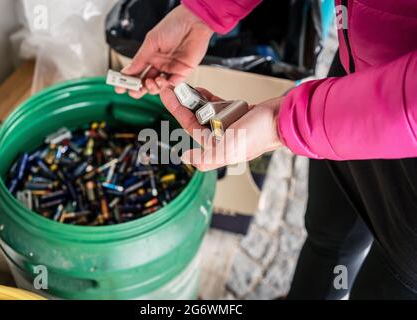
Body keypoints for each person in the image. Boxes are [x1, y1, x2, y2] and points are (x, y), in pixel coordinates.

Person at [114, 0, 417, 299]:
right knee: (328, 237)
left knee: (384, 283)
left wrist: (282, 122)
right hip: (350, 88)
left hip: (400, 161)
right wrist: (204, 11)